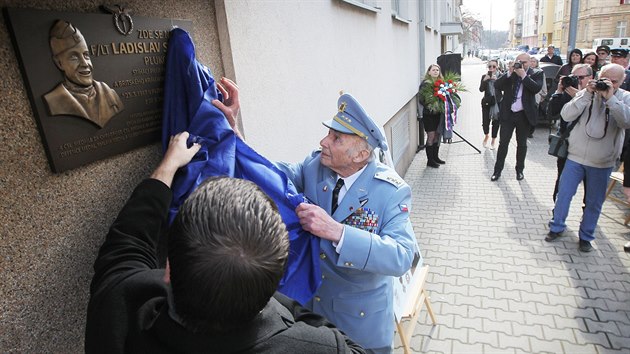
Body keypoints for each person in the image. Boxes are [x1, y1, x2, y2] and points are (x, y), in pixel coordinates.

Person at [85, 132, 365, 353]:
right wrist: (261, 288)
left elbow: (128, 241)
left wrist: (169, 165)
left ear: (168, 268)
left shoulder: (120, 305)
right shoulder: (310, 347)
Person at [213, 79, 417, 353]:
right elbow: (271, 176)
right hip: (312, 313)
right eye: (328, 134)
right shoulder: (315, 165)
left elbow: (402, 256)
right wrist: (233, 132)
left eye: (336, 138)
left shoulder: (391, 191)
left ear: (362, 153)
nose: (323, 142)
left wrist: (337, 231)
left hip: (360, 324)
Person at [546, 64, 630, 252]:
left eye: (614, 81)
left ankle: (586, 236)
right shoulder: (586, 94)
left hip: (603, 161)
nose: (608, 83)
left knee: (594, 202)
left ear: (622, 81)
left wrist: (611, 98)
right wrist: (586, 95)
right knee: (563, 195)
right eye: (604, 79)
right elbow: (566, 114)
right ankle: (556, 227)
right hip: (575, 157)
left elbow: (626, 121)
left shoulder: (624, 98)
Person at [43, 20, 124, 128]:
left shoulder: (111, 94)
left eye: (86, 55)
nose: (85, 63)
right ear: (59, 63)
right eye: (74, 57)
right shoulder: (53, 101)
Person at [490, 52, 544, 181]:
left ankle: (519, 170)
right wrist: (509, 73)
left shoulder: (536, 73)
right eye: (518, 62)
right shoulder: (511, 74)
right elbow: (497, 85)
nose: (521, 65)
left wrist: (523, 75)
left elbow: (536, 88)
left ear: (530, 62)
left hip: (523, 115)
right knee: (503, 143)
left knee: (522, 144)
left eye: (524, 62)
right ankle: (497, 171)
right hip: (508, 114)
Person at [547, 64, 593, 202]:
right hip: (568, 146)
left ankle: (587, 215)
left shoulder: (597, 94)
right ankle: (558, 212)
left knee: (589, 186)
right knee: (562, 180)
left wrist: (580, 95)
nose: (577, 81)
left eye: (581, 77)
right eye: (574, 77)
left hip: (590, 148)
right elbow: (552, 112)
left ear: (590, 78)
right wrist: (559, 91)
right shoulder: (566, 93)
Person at [418, 64, 447, 167]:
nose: (436, 72)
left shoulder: (441, 84)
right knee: (431, 136)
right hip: (429, 115)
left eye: (437, 70)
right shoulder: (425, 84)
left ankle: (435, 157)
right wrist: (431, 105)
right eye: (433, 70)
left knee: (437, 135)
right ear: (429, 72)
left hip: (438, 114)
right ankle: (430, 161)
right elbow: (421, 99)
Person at [479, 59, 502, 149]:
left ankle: (493, 139)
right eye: (490, 66)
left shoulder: (501, 76)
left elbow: (503, 89)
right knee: (485, 122)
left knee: (496, 122)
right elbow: (481, 89)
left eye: (494, 66)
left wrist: (497, 81)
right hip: (487, 102)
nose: (492, 68)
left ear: (497, 67)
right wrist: (485, 80)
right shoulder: (484, 76)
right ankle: (486, 135)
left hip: (497, 102)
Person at [529, 56, 547, 138]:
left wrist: (543, 94)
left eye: (534, 61)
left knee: (534, 113)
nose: (532, 63)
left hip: (536, 95)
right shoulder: (526, 71)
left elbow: (543, 84)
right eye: (531, 61)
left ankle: (531, 131)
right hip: (527, 96)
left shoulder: (540, 72)